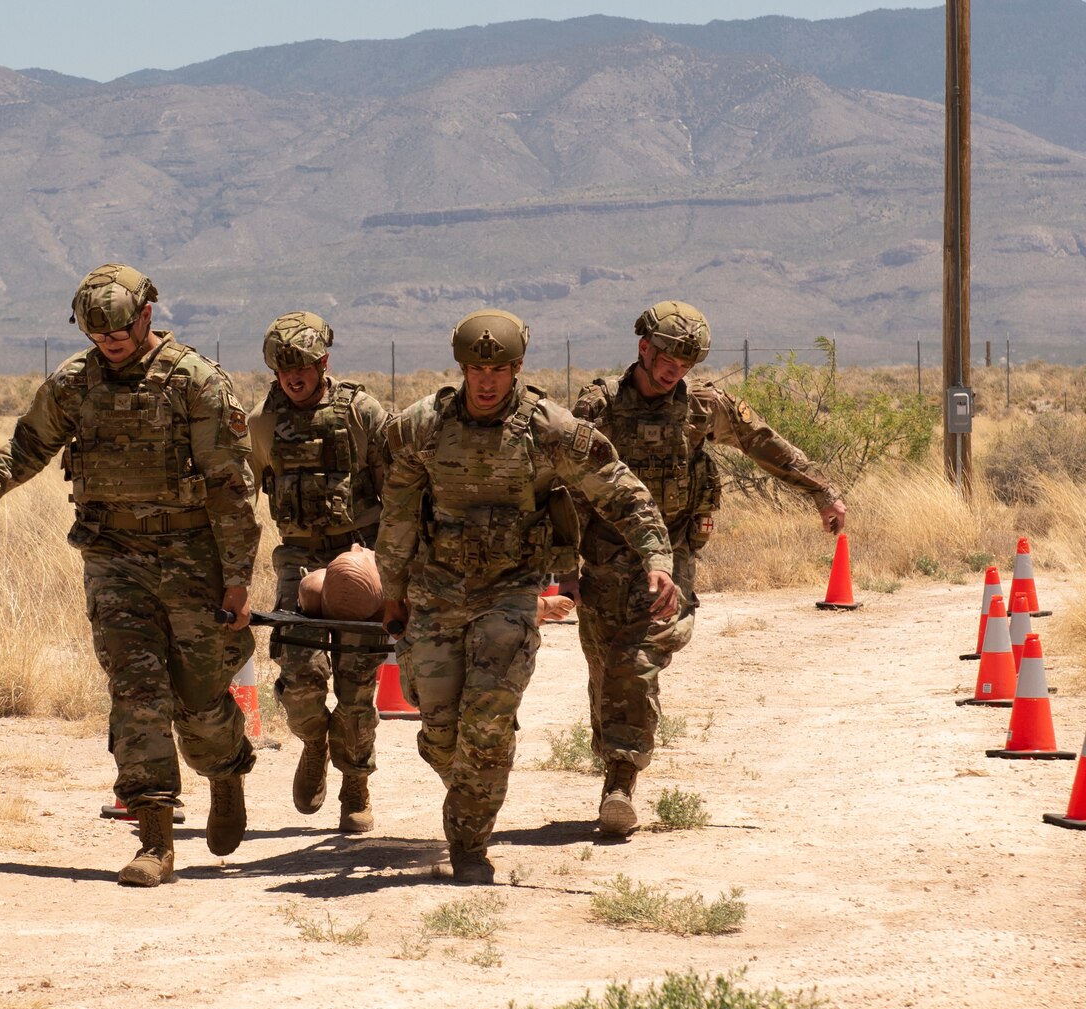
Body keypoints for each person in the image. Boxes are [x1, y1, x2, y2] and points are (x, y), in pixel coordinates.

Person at [0, 264, 259, 887]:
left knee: (200, 699)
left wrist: (237, 580)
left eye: (119, 331)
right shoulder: (76, 383)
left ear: (146, 314)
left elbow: (232, 489)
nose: (109, 343)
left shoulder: (194, 382)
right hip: (112, 555)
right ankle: (155, 837)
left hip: (191, 557)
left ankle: (225, 770)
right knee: (136, 688)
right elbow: (29, 443)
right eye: (97, 335)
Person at [376, 310, 676, 884]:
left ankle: (468, 842)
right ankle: (471, 782)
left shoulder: (549, 429)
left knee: (488, 717)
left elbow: (621, 491)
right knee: (440, 729)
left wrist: (656, 557)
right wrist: (393, 591)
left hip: (510, 591)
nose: (487, 381)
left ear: (517, 369)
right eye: (476, 369)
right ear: (462, 369)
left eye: (500, 369)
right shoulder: (424, 425)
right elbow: (396, 509)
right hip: (436, 590)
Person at [571, 301, 846, 835]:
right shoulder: (598, 406)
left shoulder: (702, 406)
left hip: (670, 558)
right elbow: (555, 473)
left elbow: (761, 442)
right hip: (605, 556)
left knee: (638, 658)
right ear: (644, 348)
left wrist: (822, 491)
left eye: (688, 361)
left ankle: (621, 782)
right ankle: (614, 760)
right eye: (670, 357)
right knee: (605, 669)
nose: (677, 369)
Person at [248, 312, 392, 834]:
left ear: (323, 362)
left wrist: (396, 566)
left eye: (302, 366)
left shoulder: (361, 412)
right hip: (299, 560)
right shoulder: (262, 424)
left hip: (362, 560)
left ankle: (355, 784)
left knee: (357, 685)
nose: (293, 377)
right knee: (300, 675)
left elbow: (397, 488)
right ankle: (313, 742)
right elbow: (245, 493)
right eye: (283, 369)